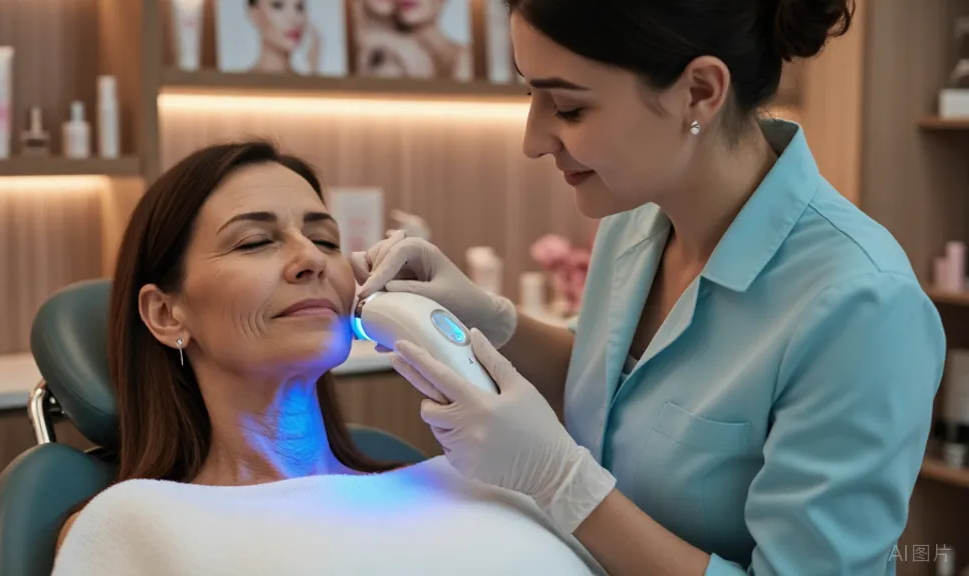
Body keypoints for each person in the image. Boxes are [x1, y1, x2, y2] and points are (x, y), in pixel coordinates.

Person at [353, 1, 948, 574]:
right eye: (532, 94)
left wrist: (562, 482)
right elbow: (620, 389)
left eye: (569, 107)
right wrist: (486, 316)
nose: (533, 140)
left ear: (699, 92)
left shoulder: (861, 308)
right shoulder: (636, 218)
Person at [49, 141, 604, 575]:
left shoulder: (469, 479)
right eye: (254, 242)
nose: (310, 259)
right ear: (166, 314)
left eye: (326, 240)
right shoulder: (134, 524)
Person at [248, 0, 320, 74]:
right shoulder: (242, 80)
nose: (295, 18)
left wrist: (312, 73)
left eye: (299, 7)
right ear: (254, 13)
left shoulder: (309, 77)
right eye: (278, 6)